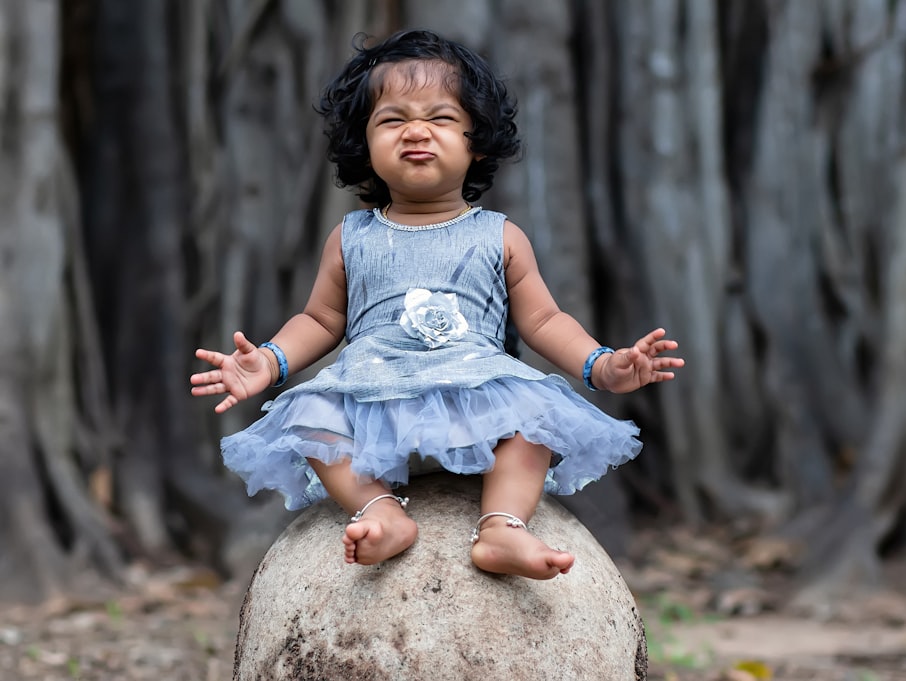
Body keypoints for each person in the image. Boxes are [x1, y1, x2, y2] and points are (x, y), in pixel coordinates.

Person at [191, 29, 683, 580]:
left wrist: (603, 366)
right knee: (309, 419)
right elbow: (321, 319)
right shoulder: (351, 237)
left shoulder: (500, 235)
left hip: (476, 407)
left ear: (477, 140)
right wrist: (271, 360)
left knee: (537, 417)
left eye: (441, 118)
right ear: (364, 144)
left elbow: (544, 319)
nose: (416, 131)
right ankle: (379, 512)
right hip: (372, 407)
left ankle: (501, 526)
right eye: (392, 119)